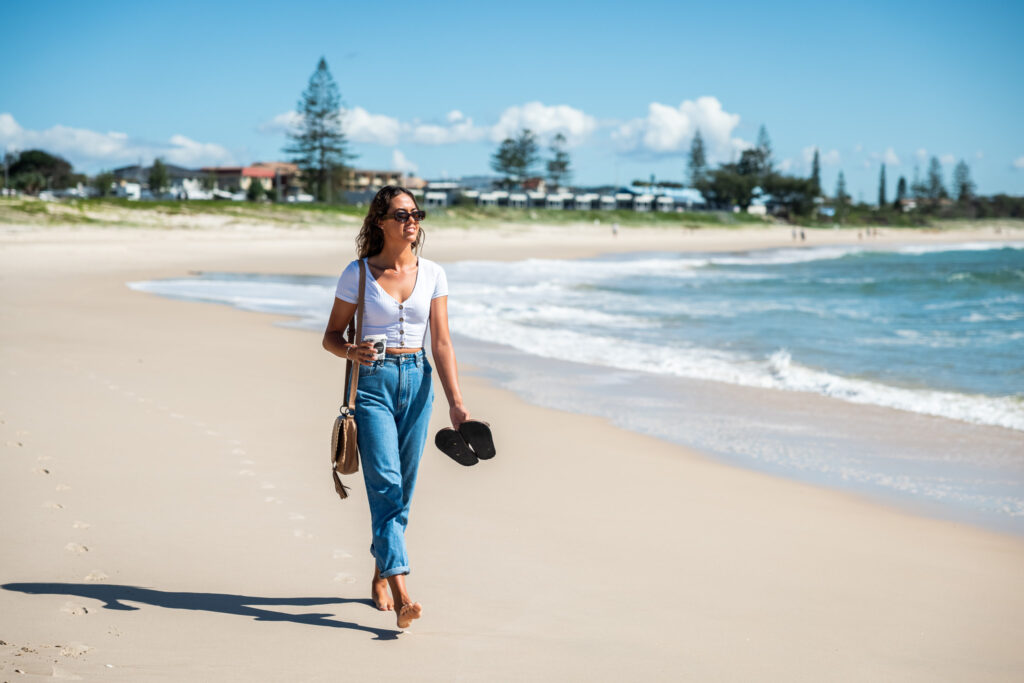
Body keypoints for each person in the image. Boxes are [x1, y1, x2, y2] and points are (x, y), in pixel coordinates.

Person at [322, 185, 470, 629]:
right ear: (380, 222)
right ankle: (404, 591)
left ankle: (381, 571)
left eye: (416, 214)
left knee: (402, 488)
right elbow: (331, 336)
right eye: (402, 214)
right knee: (385, 483)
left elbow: (441, 344)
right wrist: (351, 353)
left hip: (418, 381)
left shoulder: (434, 274)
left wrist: (457, 404)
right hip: (373, 384)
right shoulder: (358, 274)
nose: (412, 221)